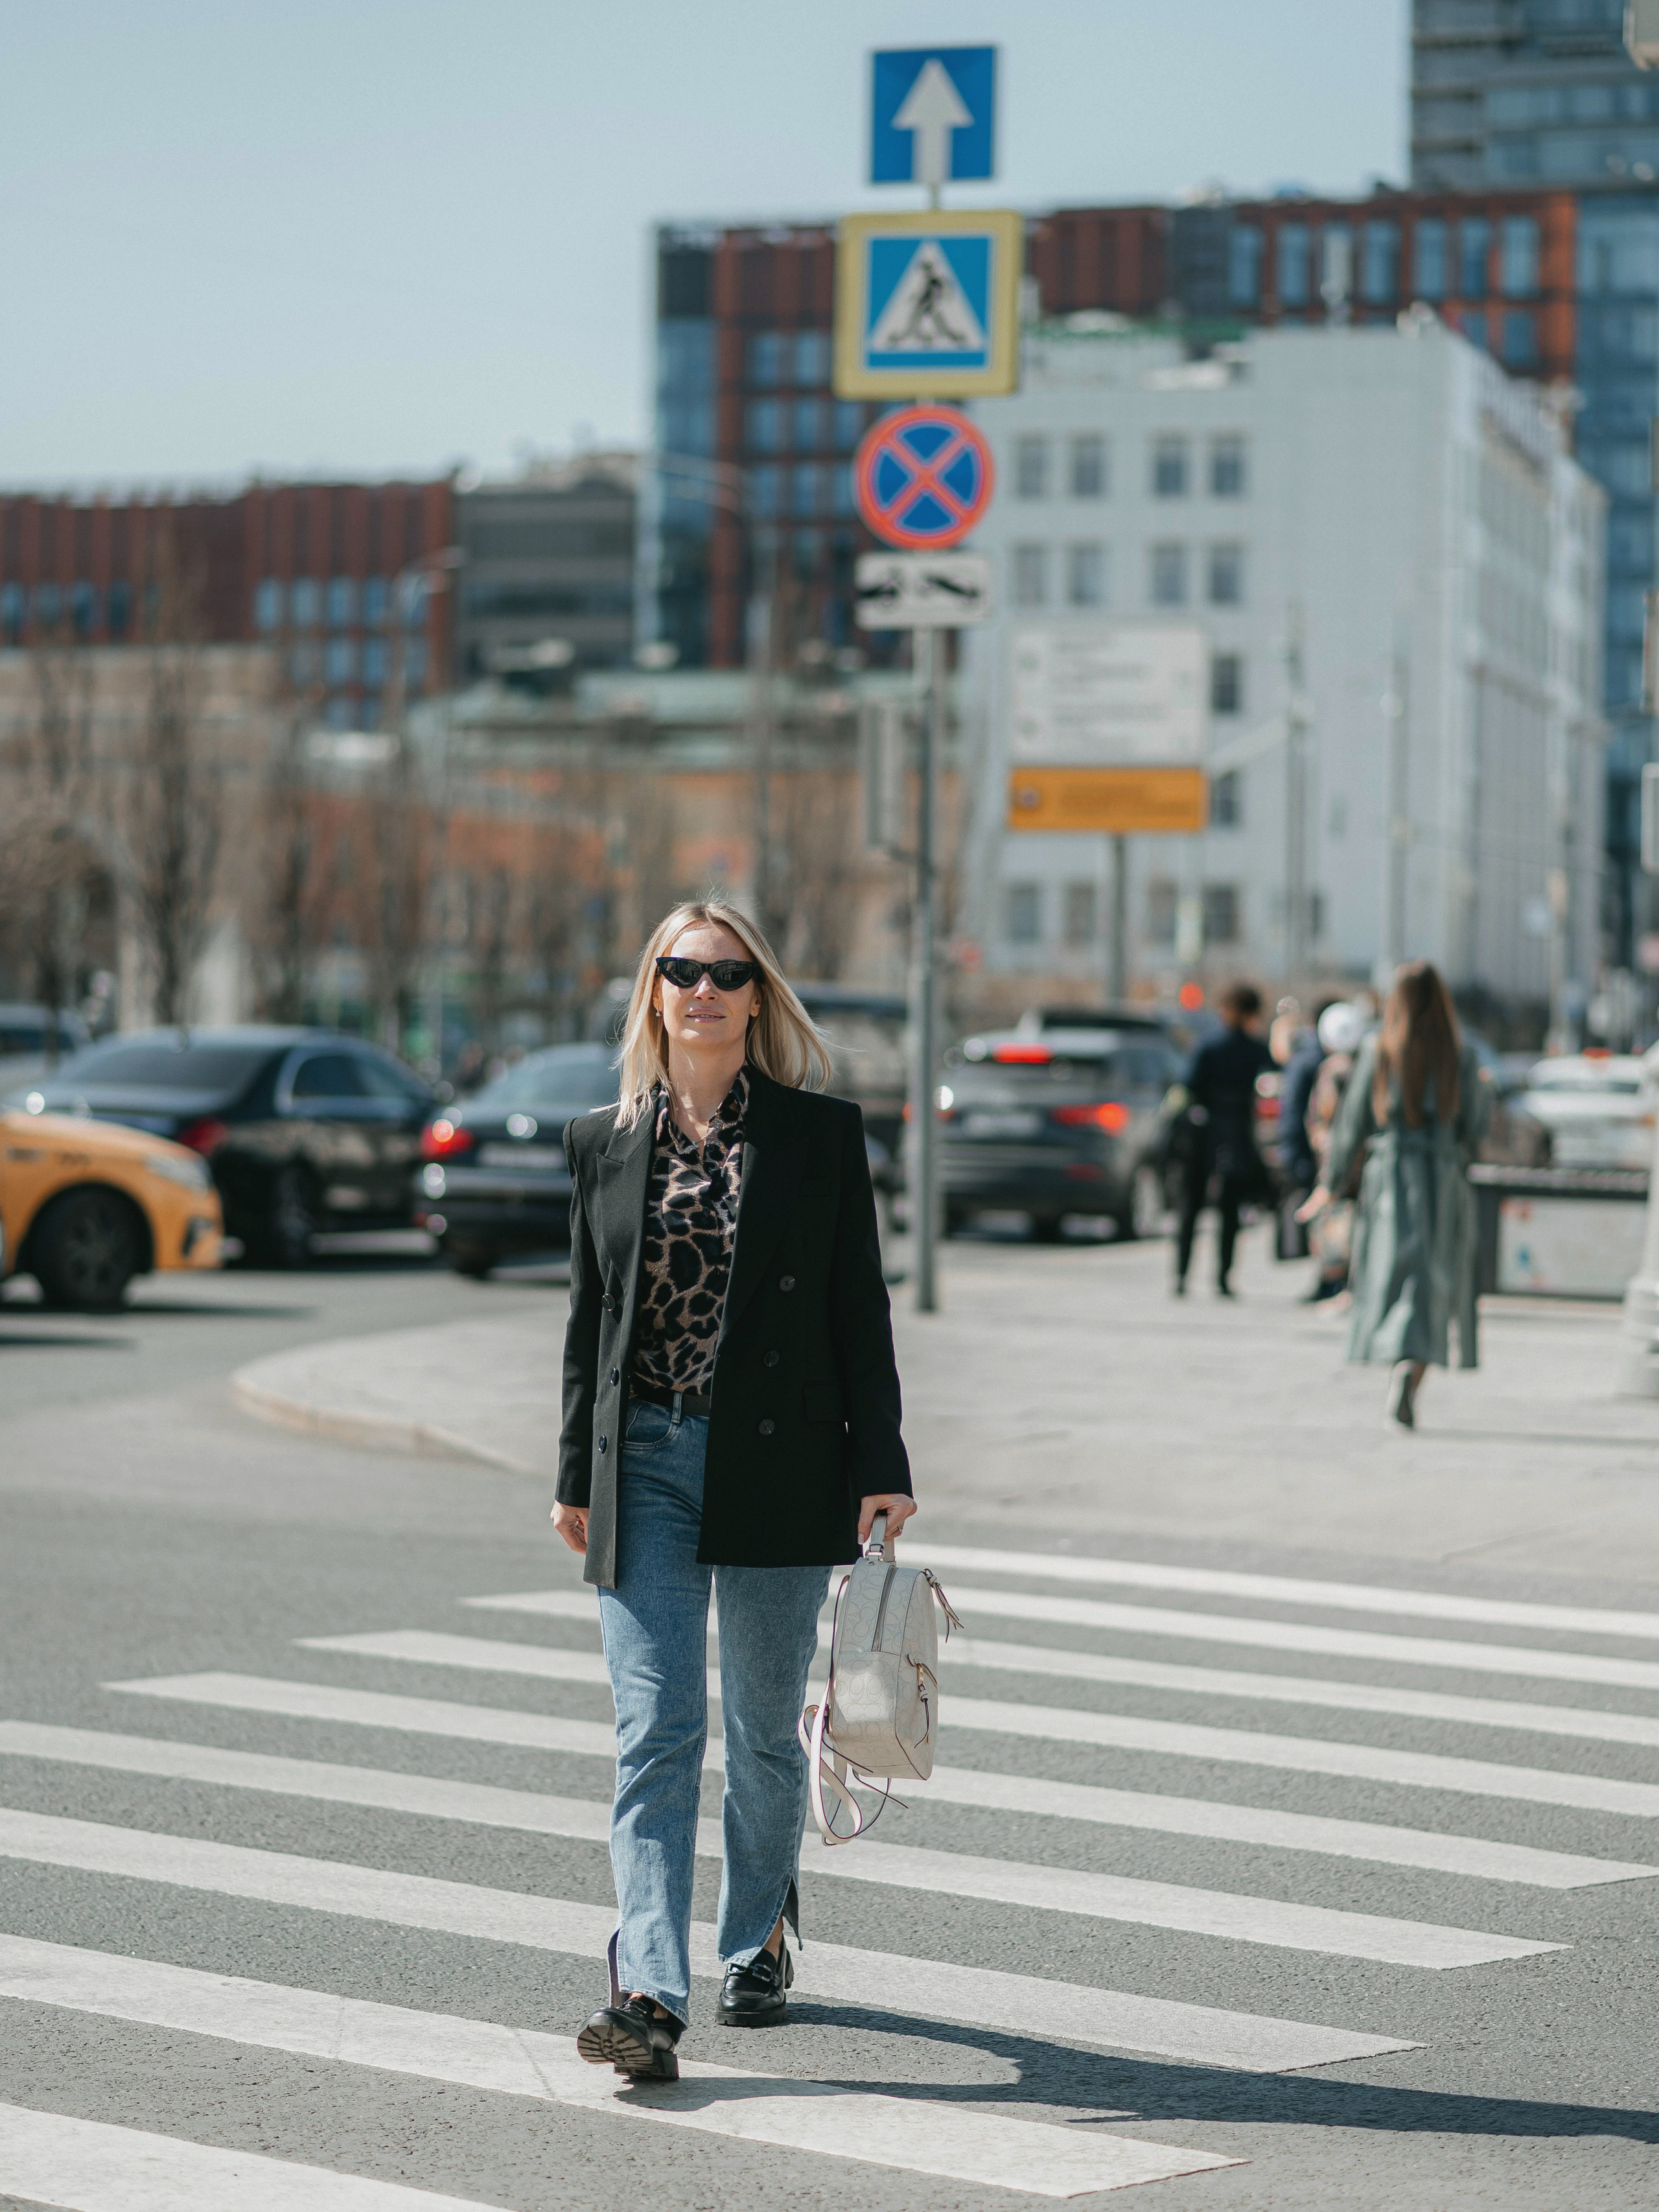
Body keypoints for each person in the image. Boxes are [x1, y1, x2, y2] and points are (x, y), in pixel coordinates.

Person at [553, 898, 914, 2082]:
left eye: (725, 970)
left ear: (758, 995)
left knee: (762, 1734)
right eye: (680, 968)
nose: (702, 988)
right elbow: (588, 1322)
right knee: (657, 1727)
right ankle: (650, 1989)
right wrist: (574, 1475)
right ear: (653, 990)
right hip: (643, 1462)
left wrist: (882, 1466)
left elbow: (858, 1308)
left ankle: (756, 1930)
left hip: (778, 1461)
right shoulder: (605, 1138)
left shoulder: (817, 1136)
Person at [1297, 961, 1491, 1428]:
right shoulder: (1461, 1057)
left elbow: (1351, 1126)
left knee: (1392, 1274)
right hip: (1441, 1180)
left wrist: (1330, 1182)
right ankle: (1411, 1370)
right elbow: (1475, 1128)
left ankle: (1398, 1360)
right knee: (1432, 1281)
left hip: (1389, 1179)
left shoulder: (1379, 1051)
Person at [1174, 979, 1275, 1298]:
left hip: (1203, 1132)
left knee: (1191, 1205)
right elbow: (1275, 1075)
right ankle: (1223, 1277)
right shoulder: (1255, 1048)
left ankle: (1181, 1275)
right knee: (1230, 1211)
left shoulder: (1208, 1045)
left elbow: (1188, 1085)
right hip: (1237, 1133)